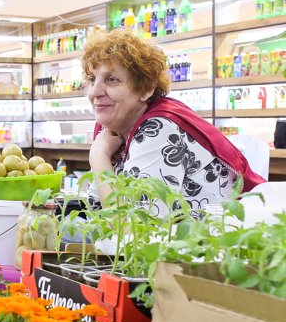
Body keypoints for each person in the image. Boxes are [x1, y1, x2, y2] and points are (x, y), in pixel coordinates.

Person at [84, 29, 264, 214]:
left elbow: (134, 229)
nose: (94, 92)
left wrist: (98, 156)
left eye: (112, 79)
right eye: (91, 79)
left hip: (218, 240)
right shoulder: (113, 132)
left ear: (146, 89)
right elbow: (96, 212)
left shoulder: (159, 129)